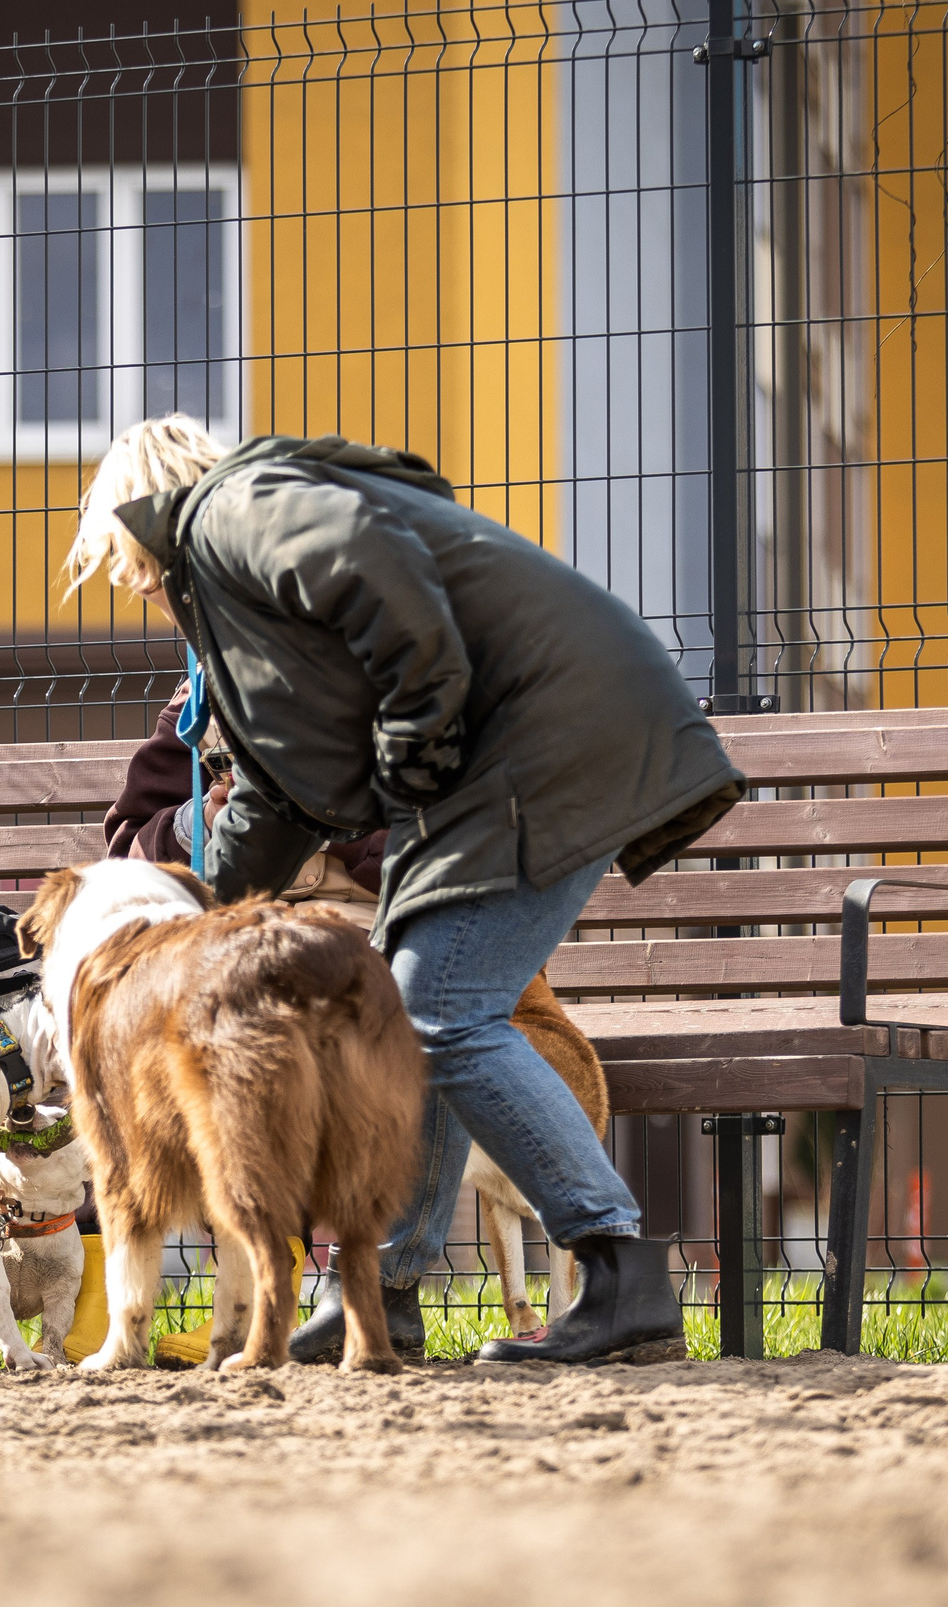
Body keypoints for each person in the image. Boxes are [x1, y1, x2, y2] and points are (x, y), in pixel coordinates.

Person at [63, 417, 743, 1365]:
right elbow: (279, 790)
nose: (143, 592)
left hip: (544, 737)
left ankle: (622, 1271)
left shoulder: (232, 514)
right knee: (414, 1009)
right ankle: (380, 1296)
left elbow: (374, 568)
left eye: (130, 568)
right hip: (535, 737)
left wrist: (412, 743)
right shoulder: (257, 580)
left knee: (445, 1014)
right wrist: (205, 911)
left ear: (144, 522)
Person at [103, 683, 609, 1360]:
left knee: (416, 1004)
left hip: (381, 921)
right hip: (246, 928)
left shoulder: (399, 669)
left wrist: (315, 825)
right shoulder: (204, 692)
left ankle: (362, 1288)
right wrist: (197, 823)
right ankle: (262, 1281)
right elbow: (128, 847)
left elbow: (456, 832)